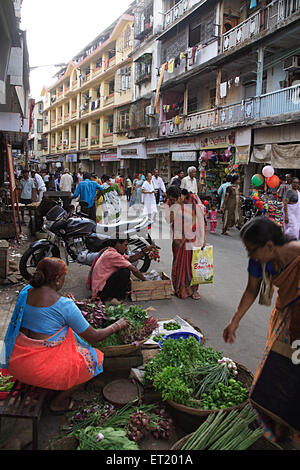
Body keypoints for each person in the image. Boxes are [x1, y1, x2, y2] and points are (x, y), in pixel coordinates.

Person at [1, 257, 129, 414]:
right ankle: (58, 402)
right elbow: (94, 336)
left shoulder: (25, 293)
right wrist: (117, 325)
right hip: (40, 370)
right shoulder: (64, 306)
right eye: (63, 278)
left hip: (18, 364)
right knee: (93, 359)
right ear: (56, 279)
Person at [223, 217, 300, 443]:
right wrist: (235, 319)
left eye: (252, 251)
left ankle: (290, 428)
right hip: (284, 318)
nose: (250, 257)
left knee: (295, 374)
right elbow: (251, 290)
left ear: (269, 246)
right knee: (275, 370)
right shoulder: (260, 259)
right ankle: (275, 423)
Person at [165, 185, 206, 300]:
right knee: (177, 263)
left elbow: (201, 218)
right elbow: (168, 220)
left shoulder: (192, 198)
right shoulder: (170, 202)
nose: (170, 201)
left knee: (192, 264)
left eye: (172, 199)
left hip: (193, 236)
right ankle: (178, 288)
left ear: (179, 196)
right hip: (178, 238)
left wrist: (202, 238)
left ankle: (193, 290)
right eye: (169, 199)